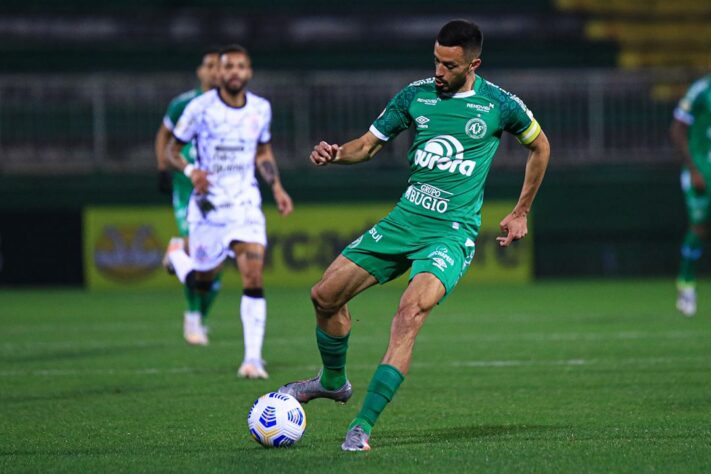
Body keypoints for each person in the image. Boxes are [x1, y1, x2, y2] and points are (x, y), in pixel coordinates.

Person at [279, 20, 550, 451]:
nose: (439, 71)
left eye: (449, 65)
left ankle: (362, 427)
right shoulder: (415, 95)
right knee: (324, 296)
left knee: (409, 314)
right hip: (404, 220)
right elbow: (366, 145)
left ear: (473, 64)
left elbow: (540, 146)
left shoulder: (499, 105)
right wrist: (335, 154)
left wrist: (521, 211)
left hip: (450, 232)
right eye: (436, 61)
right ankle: (332, 382)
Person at [164, 44, 294, 379]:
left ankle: (253, 359)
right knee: (202, 280)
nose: (234, 72)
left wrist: (277, 188)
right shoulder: (199, 108)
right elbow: (171, 151)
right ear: (219, 73)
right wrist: (193, 172)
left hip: (245, 203)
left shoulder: (261, 109)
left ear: (248, 72)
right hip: (208, 205)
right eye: (228, 67)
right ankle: (178, 254)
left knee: (253, 274)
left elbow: (263, 151)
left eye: (240, 66)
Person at [156, 48, 221, 346]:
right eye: (209, 65)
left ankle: (199, 319)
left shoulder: (230, 106)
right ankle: (192, 319)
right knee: (197, 252)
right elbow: (163, 137)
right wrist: (162, 168)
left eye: (218, 66)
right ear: (200, 71)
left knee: (215, 274)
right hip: (187, 186)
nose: (214, 71)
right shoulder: (183, 104)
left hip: (219, 190)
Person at [672, 73, 711, 317]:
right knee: (699, 227)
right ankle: (686, 285)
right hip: (701, 171)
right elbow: (677, 130)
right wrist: (693, 169)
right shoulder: (701, 90)